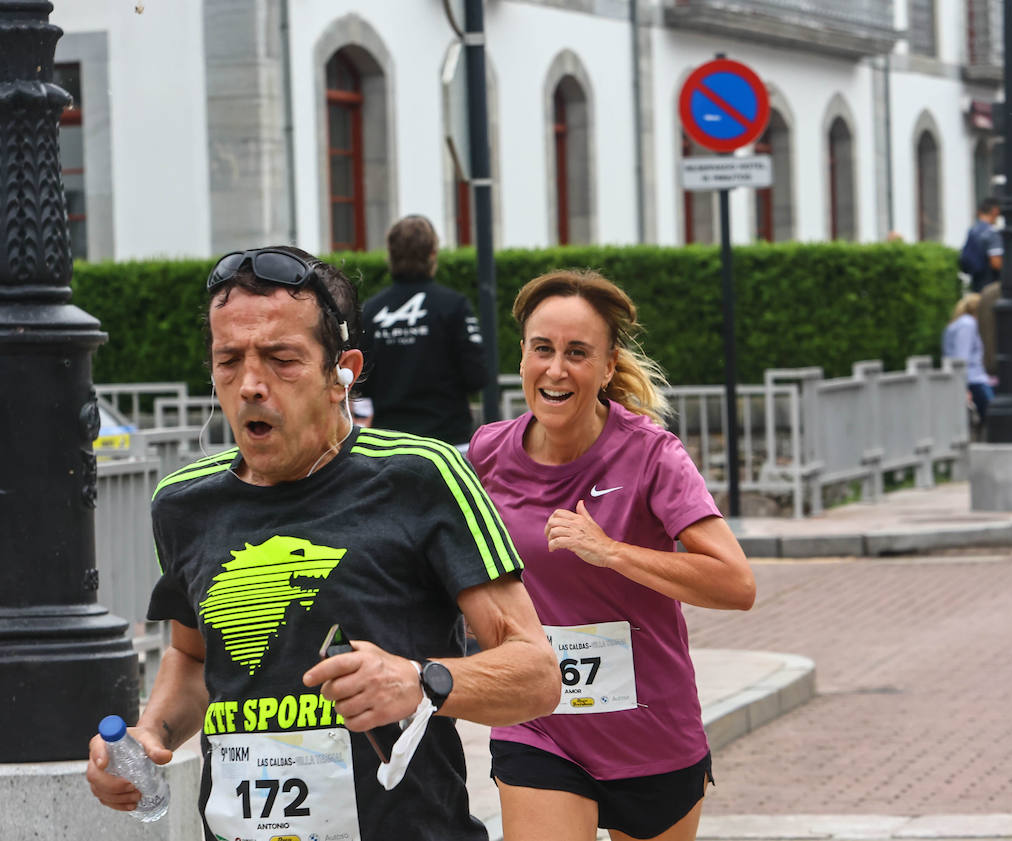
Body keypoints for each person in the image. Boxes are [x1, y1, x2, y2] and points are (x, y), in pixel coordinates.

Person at [85, 246, 560, 840]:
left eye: (282, 359)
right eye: (228, 360)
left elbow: (539, 675)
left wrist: (421, 681)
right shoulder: (184, 503)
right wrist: (149, 736)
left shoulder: (422, 475)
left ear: (344, 373)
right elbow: (195, 657)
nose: (251, 385)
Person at [466, 269, 756, 841]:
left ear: (605, 366)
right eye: (542, 349)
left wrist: (612, 552)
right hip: (539, 725)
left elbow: (736, 584)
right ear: (522, 356)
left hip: (651, 732)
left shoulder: (652, 455)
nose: (556, 369)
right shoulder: (486, 454)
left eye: (577, 353)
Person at [359, 215, 488, 446]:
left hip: (390, 445)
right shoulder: (454, 306)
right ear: (432, 254)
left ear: (390, 255)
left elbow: (360, 380)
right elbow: (476, 376)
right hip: (448, 443)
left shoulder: (371, 310)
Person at [942, 293, 994, 428]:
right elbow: (962, 357)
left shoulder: (960, 323)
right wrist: (964, 387)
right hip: (973, 379)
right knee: (991, 416)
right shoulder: (968, 324)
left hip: (970, 378)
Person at [958, 197, 1003, 293]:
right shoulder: (992, 232)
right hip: (991, 285)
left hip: (976, 282)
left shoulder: (973, 230)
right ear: (995, 211)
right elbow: (996, 262)